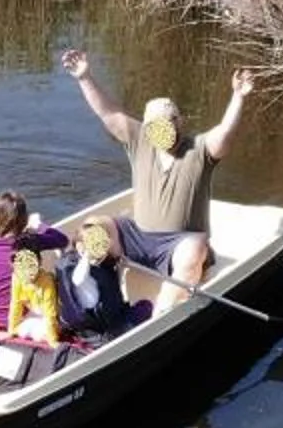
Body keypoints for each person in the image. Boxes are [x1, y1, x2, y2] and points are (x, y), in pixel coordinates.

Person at [59, 48, 255, 313]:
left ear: (179, 122)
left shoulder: (198, 149)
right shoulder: (139, 140)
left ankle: (158, 317)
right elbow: (108, 114)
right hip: (136, 234)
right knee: (93, 227)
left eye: (169, 122)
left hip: (179, 243)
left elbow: (224, 135)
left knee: (196, 248)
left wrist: (238, 97)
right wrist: (84, 77)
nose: (163, 129)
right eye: (155, 125)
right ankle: (88, 300)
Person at [0, 190, 67, 336]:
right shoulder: (29, 241)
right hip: (18, 318)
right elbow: (62, 240)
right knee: (52, 283)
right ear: (23, 220)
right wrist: (38, 225)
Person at [58, 217, 143, 340]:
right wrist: (88, 255)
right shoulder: (81, 269)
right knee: (144, 308)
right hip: (100, 326)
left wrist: (119, 266)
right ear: (81, 247)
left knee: (140, 307)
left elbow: (114, 285)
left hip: (103, 316)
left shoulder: (98, 263)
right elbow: (78, 279)